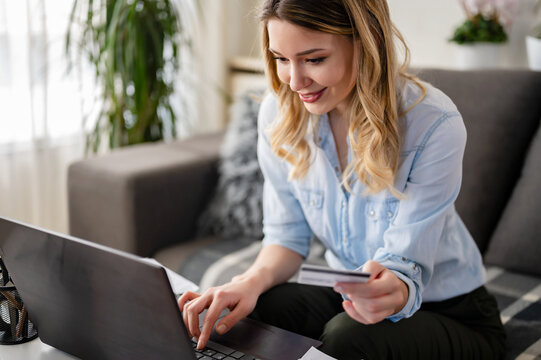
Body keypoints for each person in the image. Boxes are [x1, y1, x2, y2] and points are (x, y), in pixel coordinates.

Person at [178, 0, 506, 358]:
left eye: (314, 59)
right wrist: (245, 283)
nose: (295, 81)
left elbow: (404, 268)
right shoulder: (278, 113)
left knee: (348, 337)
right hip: (353, 298)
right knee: (255, 310)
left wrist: (390, 288)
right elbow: (287, 238)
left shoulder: (433, 123)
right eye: (281, 59)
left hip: (452, 311)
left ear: (366, 43)